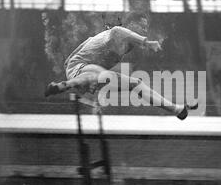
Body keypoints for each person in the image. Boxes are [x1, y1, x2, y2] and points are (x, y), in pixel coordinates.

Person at [45, 12, 197, 120]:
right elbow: (119, 30)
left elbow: (89, 40)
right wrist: (147, 42)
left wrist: (71, 57)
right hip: (80, 69)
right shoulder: (116, 33)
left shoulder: (126, 46)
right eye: (142, 27)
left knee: (136, 84)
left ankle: (176, 109)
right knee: (98, 73)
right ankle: (62, 86)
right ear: (131, 25)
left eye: (146, 28)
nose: (145, 30)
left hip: (91, 74)